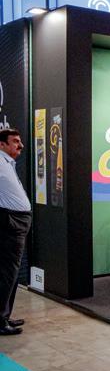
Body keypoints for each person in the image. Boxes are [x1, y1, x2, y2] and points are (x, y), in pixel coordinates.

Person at [0, 128, 32, 336]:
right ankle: (0, 320)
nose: (20, 145)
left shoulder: (7, 163)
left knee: (11, 272)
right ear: (2, 144)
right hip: (10, 222)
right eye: (15, 141)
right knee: (7, 272)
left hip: (16, 221)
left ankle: (4, 315)